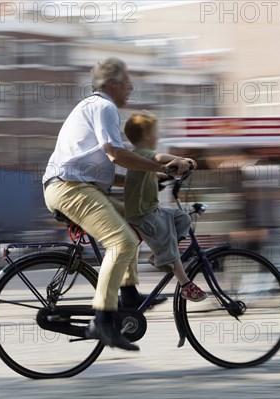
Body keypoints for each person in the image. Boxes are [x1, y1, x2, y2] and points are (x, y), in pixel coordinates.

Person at [42, 58, 192, 351]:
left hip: (79, 186)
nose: (131, 89)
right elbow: (115, 154)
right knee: (122, 243)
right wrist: (160, 167)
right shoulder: (104, 106)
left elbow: (107, 169)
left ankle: (129, 295)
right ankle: (103, 319)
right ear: (112, 84)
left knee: (133, 222)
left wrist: (155, 177)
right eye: (128, 83)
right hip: (70, 188)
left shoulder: (94, 107)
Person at [123, 112, 208, 302]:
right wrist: (179, 159)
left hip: (152, 210)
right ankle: (185, 284)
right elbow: (159, 157)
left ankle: (159, 255)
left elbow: (153, 174)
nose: (157, 137)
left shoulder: (143, 161)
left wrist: (168, 175)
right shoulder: (142, 154)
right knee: (168, 237)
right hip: (142, 214)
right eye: (155, 133)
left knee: (182, 218)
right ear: (146, 135)